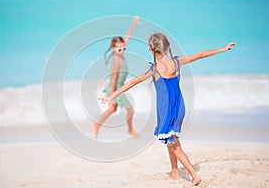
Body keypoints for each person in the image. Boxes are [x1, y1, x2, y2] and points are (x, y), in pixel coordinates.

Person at [99, 32, 235, 186]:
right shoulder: (177, 62)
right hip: (179, 107)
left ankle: (194, 175)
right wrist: (221, 49)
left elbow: (132, 83)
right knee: (170, 139)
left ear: (151, 49)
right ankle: (175, 172)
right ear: (167, 47)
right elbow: (201, 55)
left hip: (167, 109)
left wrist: (111, 96)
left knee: (174, 144)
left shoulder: (153, 68)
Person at [93, 16, 141, 139]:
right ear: (114, 49)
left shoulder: (120, 54)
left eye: (124, 48)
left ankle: (96, 125)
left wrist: (132, 25)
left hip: (117, 88)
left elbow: (127, 39)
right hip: (116, 88)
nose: (123, 50)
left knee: (112, 110)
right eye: (120, 49)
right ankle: (130, 130)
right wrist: (112, 96)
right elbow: (113, 78)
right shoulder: (116, 60)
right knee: (130, 110)